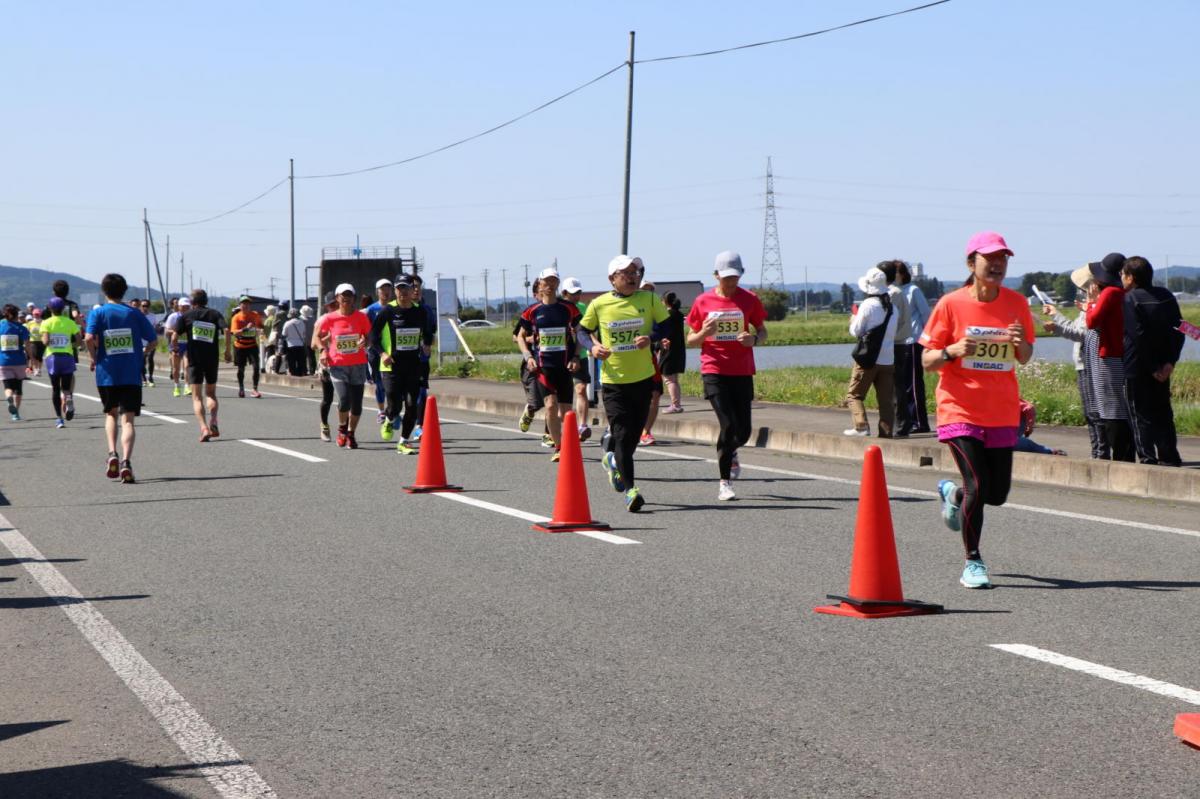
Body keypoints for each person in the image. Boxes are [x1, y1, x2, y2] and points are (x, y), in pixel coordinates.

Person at [919, 231, 1035, 589]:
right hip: (959, 409)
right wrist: (952, 351)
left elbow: (1025, 356)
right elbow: (927, 360)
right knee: (978, 484)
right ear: (972, 263)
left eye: (1003, 258)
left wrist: (1020, 343)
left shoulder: (1016, 303)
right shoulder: (950, 304)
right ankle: (973, 562)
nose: (997, 264)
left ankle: (952, 495)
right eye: (990, 258)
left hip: (1001, 411)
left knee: (996, 495)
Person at [578, 255, 670, 512]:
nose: (632, 277)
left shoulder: (649, 299)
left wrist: (650, 337)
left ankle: (612, 461)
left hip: (642, 378)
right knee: (621, 433)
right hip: (613, 381)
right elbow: (582, 331)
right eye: (626, 273)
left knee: (632, 437)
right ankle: (631, 491)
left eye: (635, 272)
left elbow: (667, 326)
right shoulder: (599, 304)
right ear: (612, 279)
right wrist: (592, 348)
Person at [685, 251, 768, 501]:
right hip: (714, 370)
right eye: (726, 277)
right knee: (728, 425)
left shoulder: (750, 299)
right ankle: (724, 483)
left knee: (743, 432)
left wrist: (754, 339)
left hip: (742, 371)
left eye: (735, 277)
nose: (731, 282)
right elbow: (690, 340)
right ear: (716, 275)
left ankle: (731, 449)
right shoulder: (703, 301)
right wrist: (703, 333)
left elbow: (762, 330)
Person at [85, 273, 157, 483]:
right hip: (131, 373)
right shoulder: (134, 313)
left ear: (104, 291)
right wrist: (142, 354)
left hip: (106, 373)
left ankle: (112, 454)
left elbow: (88, 338)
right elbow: (153, 340)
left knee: (111, 414)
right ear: (124, 291)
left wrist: (94, 357)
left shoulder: (98, 313)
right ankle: (126, 462)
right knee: (128, 420)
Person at [1121, 256, 1185, 466]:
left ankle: (1148, 460)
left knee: (1139, 415)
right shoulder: (1166, 296)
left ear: (1131, 277)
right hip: (1163, 367)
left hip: (1137, 366)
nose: (1121, 278)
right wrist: (1169, 363)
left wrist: (1153, 367)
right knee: (1163, 412)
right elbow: (1180, 329)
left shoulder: (1130, 299)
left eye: (1123, 274)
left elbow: (1138, 335)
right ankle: (1170, 457)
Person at [1042, 266, 1108, 458]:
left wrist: (1056, 327)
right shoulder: (1088, 308)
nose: (1081, 292)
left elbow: (1081, 334)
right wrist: (1055, 315)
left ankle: (1100, 453)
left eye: (1082, 288)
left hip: (1089, 364)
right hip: (1083, 364)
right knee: (1090, 412)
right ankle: (1097, 452)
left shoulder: (1094, 307)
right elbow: (1075, 328)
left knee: (1094, 412)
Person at [517, 267, 582, 461]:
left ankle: (567, 445)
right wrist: (528, 356)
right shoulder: (532, 311)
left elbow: (581, 332)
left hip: (564, 366)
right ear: (540, 284)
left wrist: (576, 357)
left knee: (566, 411)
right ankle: (560, 448)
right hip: (543, 367)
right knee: (551, 406)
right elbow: (520, 336)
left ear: (558, 284)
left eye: (554, 281)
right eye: (547, 281)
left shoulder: (568, 308)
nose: (550, 285)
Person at [371, 274, 435, 454]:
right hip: (391, 365)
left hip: (413, 364)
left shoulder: (420, 311)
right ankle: (389, 419)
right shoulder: (388, 311)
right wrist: (383, 353)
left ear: (412, 290)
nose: (403, 292)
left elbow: (428, 332)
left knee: (412, 404)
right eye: (399, 288)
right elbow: (373, 336)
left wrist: (427, 345)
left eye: (406, 288)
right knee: (395, 405)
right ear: (395, 291)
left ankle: (403, 441)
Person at [1084, 253, 1134, 462]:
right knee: (1119, 406)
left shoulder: (1110, 292)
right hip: (1119, 354)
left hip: (1108, 357)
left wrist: (1090, 304)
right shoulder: (1123, 293)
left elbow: (1091, 321)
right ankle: (1126, 454)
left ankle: (1121, 456)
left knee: (1111, 407)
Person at [313, 283, 371, 448]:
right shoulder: (329, 318)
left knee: (357, 405)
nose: (346, 298)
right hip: (337, 365)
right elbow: (316, 338)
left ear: (354, 298)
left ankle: (351, 433)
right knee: (344, 399)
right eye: (343, 295)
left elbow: (369, 337)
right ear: (337, 298)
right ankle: (342, 428)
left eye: (349, 295)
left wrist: (365, 342)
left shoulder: (361, 317)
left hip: (358, 364)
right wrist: (323, 351)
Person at [844, 266, 898, 437]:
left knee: (854, 395)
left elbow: (856, 331)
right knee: (886, 401)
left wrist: (853, 319)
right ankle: (886, 433)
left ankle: (861, 426)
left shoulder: (868, 305)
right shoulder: (893, 308)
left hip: (868, 359)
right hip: (888, 360)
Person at [177, 289, 226, 442]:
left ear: (192, 302)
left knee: (197, 397)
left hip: (194, 360)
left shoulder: (186, 316)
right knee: (211, 393)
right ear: (206, 300)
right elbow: (227, 330)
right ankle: (214, 420)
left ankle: (204, 428)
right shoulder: (215, 314)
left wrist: (175, 347)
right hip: (212, 358)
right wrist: (228, 351)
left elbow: (174, 335)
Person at [41, 297, 81, 428]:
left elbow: (45, 341)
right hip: (67, 356)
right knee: (66, 387)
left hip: (53, 358)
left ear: (50, 308)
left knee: (55, 388)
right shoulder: (70, 322)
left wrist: (48, 340)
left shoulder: (46, 322)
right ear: (63, 308)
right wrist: (71, 345)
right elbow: (79, 340)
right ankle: (68, 399)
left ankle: (59, 419)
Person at [561, 277, 594, 439]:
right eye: (572, 293)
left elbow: (588, 330)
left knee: (581, 389)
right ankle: (566, 428)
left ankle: (582, 425)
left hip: (579, 355)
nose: (576, 296)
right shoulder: (558, 308)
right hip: (561, 356)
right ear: (564, 293)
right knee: (563, 394)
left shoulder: (582, 308)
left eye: (578, 293)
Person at [637, 277, 665, 446]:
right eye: (644, 290)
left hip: (650, 358)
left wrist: (661, 341)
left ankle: (646, 431)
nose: (648, 293)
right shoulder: (627, 308)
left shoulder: (656, 310)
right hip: (628, 360)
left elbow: (662, 330)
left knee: (655, 395)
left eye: (651, 290)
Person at [365, 278, 394, 424]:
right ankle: (381, 410)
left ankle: (392, 409)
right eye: (383, 289)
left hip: (391, 350)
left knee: (392, 383)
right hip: (375, 351)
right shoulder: (371, 310)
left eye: (388, 288)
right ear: (377, 292)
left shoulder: (396, 307)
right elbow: (367, 330)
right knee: (379, 383)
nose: (386, 292)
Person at [225, 295, 264, 398]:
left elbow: (261, 326)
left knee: (256, 367)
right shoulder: (236, 317)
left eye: (248, 304)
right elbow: (234, 332)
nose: (246, 306)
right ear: (240, 305)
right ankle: (241, 388)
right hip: (240, 346)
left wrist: (260, 329)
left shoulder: (255, 315)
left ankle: (255, 389)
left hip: (252, 345)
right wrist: (246, 329)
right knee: (241, 369)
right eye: (244, 304)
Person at [0, 304, 32, 421]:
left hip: (3, 361)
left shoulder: (1, 327)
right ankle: (16, 414)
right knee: (18, 387)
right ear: (16, 315)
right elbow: (27, 345)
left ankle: (9, 398)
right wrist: (31, 358)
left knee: (7, 386)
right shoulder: (21, 328)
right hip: (19, 361)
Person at [314, 293, 337, 441]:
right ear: (326, 306)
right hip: (327, 363)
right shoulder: (322, 320)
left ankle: (345, 430)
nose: (335, 307)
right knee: (328, 398)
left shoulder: (346, 317)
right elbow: (313, 344)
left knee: (346, 399)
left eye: (336, 303)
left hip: (344, 362)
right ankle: (324, 425)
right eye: (331, 305)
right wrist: (331, 336)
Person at [659, 291, 687, 414]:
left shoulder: (667, 315)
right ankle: (676, 404)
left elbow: (663, 333)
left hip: (668, 350)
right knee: (674, 379)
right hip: (678, 349)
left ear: (664, 301)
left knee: (669, 379)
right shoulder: (679, 314)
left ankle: (675, 405)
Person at [165, 296, 191, 397]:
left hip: (187, 344)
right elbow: (167, 331)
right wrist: (177, 332)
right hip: (176, 343)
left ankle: (187, 386)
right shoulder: (173, 316)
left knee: (187, 365)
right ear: (179, 306)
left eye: (187, 306)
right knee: (176, 368)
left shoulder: (191, 316)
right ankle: (176, 386)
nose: (185, 308)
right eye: (183, 306)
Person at [282, 308, 308, 375]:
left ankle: (293, 374)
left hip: (290, 345)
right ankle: (300, 374)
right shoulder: (302, 323)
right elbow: (304, 334)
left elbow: (284, 334)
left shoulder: (287, 323)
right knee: (300, 361)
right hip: (300, 344)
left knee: (291, 362)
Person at [138, 299, 157, 386]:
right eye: (143, 306)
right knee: (142, 360)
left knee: (150, 358)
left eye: (147, 306)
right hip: (140, 342)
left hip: (150, 342)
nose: (145, 308)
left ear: (149, 307)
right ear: (140, 307)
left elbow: (155, 328)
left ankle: (151, 377)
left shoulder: (152, 316)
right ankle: (143, 377)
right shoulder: (138, 316)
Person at [25, 308, 44, 377]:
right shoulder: (30, 323)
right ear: (33, 315)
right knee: (34, 355)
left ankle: (39, 369)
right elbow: (26, 332)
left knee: (40, 356)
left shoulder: (44, 322)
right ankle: (35, 369)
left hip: (41, 341)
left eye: (38, 314)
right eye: (35, 314)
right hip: (33, 341)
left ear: (40, 314)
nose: (36, 315)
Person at [301, 304, 317, 375]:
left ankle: (304, 370)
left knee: (303, 356)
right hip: (311, 339)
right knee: (312, 356)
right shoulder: (313, 319)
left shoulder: (300, 319)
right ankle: (312, 370)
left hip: (303, 340)